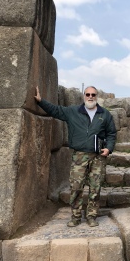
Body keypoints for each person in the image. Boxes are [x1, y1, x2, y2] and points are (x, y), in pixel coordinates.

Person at [35, 85, 116, 227]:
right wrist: (41, 101)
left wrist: (109, 148)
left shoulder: (105, 114)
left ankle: (91, 216)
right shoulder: (73, 111)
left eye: (93, 95)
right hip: (79, 156)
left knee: (95, 188)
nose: (90, 97)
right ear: (83, 96)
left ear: (96, 97)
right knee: (76, 187)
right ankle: (76, 216)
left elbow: (111, 134)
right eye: (87, 94)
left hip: (98, 157)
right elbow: (55, 110)